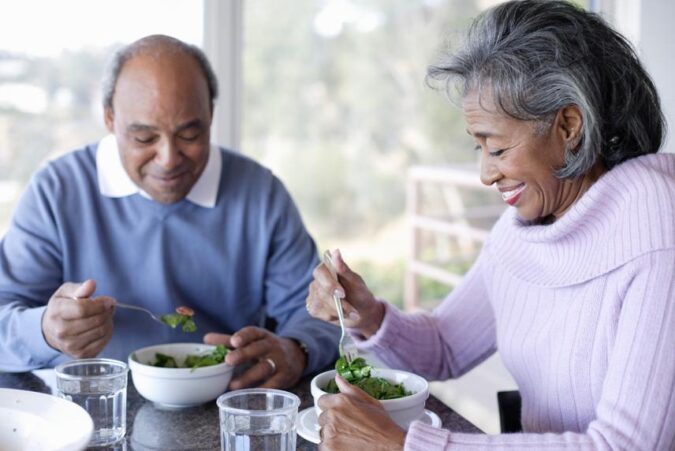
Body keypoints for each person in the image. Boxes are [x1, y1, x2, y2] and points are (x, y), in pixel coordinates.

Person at [306, 1, 675, 449]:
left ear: (569, 125)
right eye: (477, 149)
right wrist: (366, 313)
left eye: (496, 149)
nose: (485, 174)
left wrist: (403, 445)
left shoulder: (657, 232)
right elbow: (445, 346)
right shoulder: (528, 225)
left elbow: (628, 445)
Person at [0, 34, 339, 390]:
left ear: (210, 116)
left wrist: (296, 349)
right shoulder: (57, 191)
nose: (168, 159)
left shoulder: (260, 193)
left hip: (225, 402)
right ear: (110, 119)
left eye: (189, 134)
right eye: (144, 138)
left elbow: (319, 312)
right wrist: (45, 330)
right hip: (93, 406)